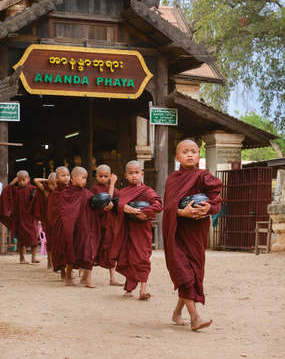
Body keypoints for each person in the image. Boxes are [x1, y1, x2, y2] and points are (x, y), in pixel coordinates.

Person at [163, 139, 222, 331]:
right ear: (177, 157)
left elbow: (216, 200)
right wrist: (182, 212)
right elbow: (169, 206)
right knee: (184, 274)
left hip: (196, 233)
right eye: (185, 151)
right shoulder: (172, 179)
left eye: (194, 151)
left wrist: (208, 209)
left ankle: (177, 312)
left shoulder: (204, 176)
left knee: (193, 273)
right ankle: (195, 317)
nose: (190, 155)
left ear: (199, 155)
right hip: (177, 233)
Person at [111, 160, 162, 300]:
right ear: (126, 176)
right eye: (131, 173)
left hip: (142, 230)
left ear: (142, 174)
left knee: (142, 258)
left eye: (137, 173)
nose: (134, 176)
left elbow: (158, 204)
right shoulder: (123, 192)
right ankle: (129, 288)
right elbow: (118, 205)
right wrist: (124, 207)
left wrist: (144, 212)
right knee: (128, 258)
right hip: (128, 230)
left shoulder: (147, 191)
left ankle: (143, 290)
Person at [91, 164, 122, 286]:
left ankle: (112, 278)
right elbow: (106, 200)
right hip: (98, 224)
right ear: (96, 176)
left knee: (111, 250)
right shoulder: (95, 189)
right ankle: (85, 276)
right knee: (93, 249)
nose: (103, 178)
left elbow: (118, 202)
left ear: (110, 176)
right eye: (100, 176)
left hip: (110, 225)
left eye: (106, 176)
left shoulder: (114, 190)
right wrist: (113, 184)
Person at [0, 170, 38, 264]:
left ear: (28, 179)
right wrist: (12, 183)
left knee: (34, 239)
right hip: (20, 218)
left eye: (23, 180)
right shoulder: (15, 190)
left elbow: (36, 202)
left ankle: (34, 257)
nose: (21, 182)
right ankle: (22, 258)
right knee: (21, 240)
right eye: (19, 180)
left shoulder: (33, 189)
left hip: (30, 218)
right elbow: (5, 191)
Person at [47, 166, 71, 280]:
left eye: (67, 175)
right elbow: (51, 211)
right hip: (59, 225)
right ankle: (62, 272)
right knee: (61, 248)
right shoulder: (54, 193)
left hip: (70, 225)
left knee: (70, 248)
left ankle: (69, 272)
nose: (66, 178)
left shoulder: (72, 190)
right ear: (57, 178)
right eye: (63, 176)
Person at [31, 173, 57, 268]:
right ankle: (49, 260)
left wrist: (53, 180)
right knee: (49, 241)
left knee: (58, 241)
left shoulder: (62, 191)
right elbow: (35, 180)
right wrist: (48, 180)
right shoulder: (46, 191)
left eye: (56, 184)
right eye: (51, 184)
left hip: (58, 219)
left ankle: (56, 261)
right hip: (48, 219)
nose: (54, 187)